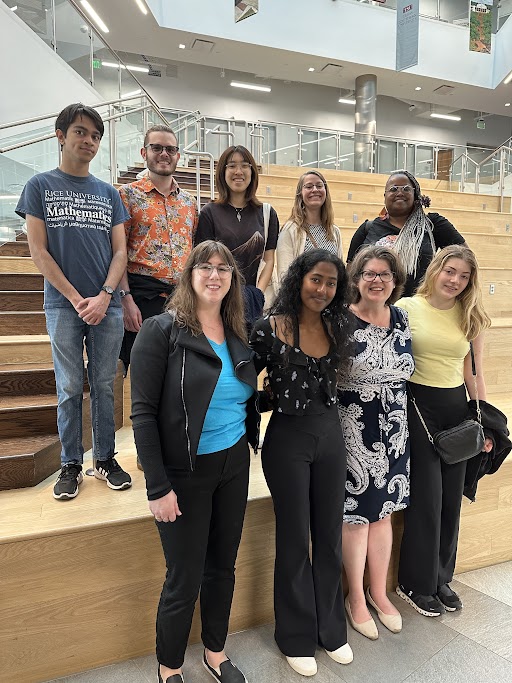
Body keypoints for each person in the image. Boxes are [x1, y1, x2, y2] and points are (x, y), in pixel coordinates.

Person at [130, 240, 258, 683]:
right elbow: (143, 414)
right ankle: (170, 667)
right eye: (205, 266)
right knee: (183, 577)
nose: (214, 274)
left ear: (232, 281)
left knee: (223, 566)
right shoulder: (161, 331)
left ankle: (216, 653)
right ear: (190, 275)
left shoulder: (239, 332)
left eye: (224, 269)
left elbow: (244, 399)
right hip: (184, 473)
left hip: (233, 465)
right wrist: (157, 487)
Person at [15, 103, 132, 500]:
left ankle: (105, 458)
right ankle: (71, 463)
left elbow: (120, 252)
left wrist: (104, 296)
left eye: (96, 136)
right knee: (68, 387)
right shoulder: (40, 186)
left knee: (102, 384)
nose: (90, 141)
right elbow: (37, 250)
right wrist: (76, 297)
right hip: (64, 306)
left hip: (107, 305)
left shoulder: (108, 193)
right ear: (61, 135)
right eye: (81, 132)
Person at [250, 249, 354, 678]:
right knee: (295, 538)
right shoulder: (267, 329)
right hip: (288, 440)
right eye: (316, 279)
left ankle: (332, 628)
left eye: (331, 283)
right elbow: (243, 388)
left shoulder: (339, 324)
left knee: (329, 535)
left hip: (331, 437)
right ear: (299, 279)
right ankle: (294, 635)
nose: (323, 289)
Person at [396, 245, 491, 617]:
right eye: (450, 271)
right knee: (428, 499)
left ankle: (440, 578)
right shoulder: (405, 308)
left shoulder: (470, 315)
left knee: (452, 499)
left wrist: (485, 421)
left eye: (464, 276)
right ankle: (415, 583)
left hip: (456, 410)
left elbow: (474, 372)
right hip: (418, 409)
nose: (455, 280)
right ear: (436, 269)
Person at [337, 246, 413, 640]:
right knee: (356, 516)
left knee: (384, 513)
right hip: (354, 425)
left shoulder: (400, 317)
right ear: (357, 278)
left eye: (385, 274)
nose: (377, 280)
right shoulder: (340, 319)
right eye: (369, 273)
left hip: (395, 426)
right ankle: (355, 598)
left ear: (395, 281)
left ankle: (379, 592)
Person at [118, 124, 198, 371]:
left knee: (180, 371)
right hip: (142, 298)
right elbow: (117, 252)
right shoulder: (127, 195)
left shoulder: (190, 203)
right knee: (143, 371)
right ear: (144, 153)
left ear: (177, 156)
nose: (164, 154)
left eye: (170, 149)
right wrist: (125, 300)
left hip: (181, 300)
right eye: (157, 148)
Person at [194, 145, 279, 325]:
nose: (238, 171)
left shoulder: (267, 213)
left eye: (244, 165)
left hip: (252, 302)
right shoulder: (209, 212)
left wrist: (258, 293)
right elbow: (203, 262)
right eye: (231, 165)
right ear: (222, 172)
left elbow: (269, 259)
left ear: (252, 172)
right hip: (218, 299)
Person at [347, 170, 465, 296]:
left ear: (416, 195)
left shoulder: (433, 224)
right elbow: (350, 274)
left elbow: (464, 257)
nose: (399, 193)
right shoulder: (367, 228)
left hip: (419, 307)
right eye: (393, 189)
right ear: (384, 196)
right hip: (374, 308)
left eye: (406, 189)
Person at [276, 170, 343, 284]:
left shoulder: (334, 231)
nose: (315, 190)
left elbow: (340, 273)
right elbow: (285, 276)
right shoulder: (290, 230)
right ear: (300, 194)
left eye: (319, 185)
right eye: (309, 186)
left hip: (330, 298)